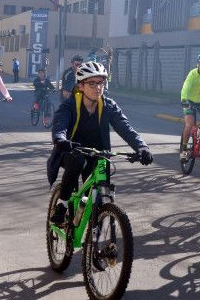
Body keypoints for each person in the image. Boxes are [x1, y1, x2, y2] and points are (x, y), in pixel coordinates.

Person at [47, 61, 153, 225]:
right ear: (81, 86)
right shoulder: (69, 105)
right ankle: (62, 204)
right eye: (91, 83)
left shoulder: (108, 106)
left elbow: (125, 128)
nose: (98, 87)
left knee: (98, 188)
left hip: (98, 152)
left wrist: (141, 147)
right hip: (71, 150)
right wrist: (60, 140)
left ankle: (95, 221)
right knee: (77, 161)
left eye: (101, 83)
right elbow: (59, 125)